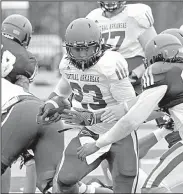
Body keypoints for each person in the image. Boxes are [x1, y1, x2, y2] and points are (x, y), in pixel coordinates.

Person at [37, 18, 139, 193]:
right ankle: (93, 190)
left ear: (98, 46)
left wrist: (93, 117)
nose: (83, 55)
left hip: (120, 133)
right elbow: (61, 91)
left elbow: (132, 108)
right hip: (91, 132)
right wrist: (50, 103)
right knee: (64, 181)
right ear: (68, 48)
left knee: (125, 183)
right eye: (77, 49)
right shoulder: (67, 65)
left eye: (87, 48)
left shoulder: (110, 64)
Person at [76, 33, 183, 193]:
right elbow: (135, 105)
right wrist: (100, 115)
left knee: (151, 189)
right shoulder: (176, 79)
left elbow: (131, 121)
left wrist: (98, 144)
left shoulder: (161, 73)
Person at [1, 14, 66, 193]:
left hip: (9, 108)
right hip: (21, 109)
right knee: (29, 157)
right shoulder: (26, 60)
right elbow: (23, 95)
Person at [86, 1, 157, 95]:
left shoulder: (136, 15)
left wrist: (136, 74)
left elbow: (156, 53)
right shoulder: (92, 18)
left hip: (138, 80)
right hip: (106, 81)